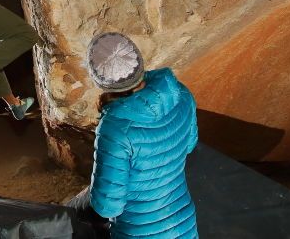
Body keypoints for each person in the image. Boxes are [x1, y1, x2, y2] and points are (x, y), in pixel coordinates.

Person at [68, 32, 199, 239]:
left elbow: (108, 207)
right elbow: (189, 145)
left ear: (101, 81)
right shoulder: (180, 94)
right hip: (183, 223)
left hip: (140, 232)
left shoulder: (115, 128)